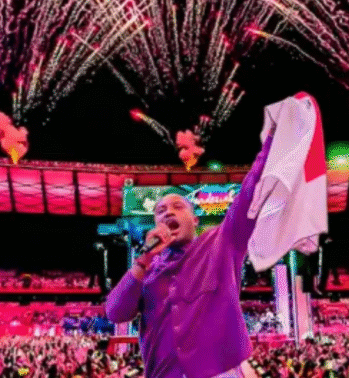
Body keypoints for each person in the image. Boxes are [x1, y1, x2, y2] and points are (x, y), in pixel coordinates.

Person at [105, 135, 273, 378]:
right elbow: (115, 312)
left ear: (195, 221)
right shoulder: (147, 268)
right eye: (160, 211)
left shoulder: (221, 243)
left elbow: (250, 194)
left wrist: (270, 145)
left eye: (178, 207)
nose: (167, 213)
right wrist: (144, 260)